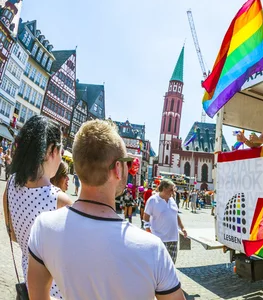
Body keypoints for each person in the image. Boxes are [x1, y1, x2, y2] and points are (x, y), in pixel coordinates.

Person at [27, 119, 184, 299]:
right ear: (117, 168)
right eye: (127, 162)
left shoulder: (44, 226)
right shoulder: (152, 249)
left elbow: (37, 296)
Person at [2, 116, 72, 299]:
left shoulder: (10, 183)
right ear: (50, 151)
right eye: (61, 150)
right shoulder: (61, 201)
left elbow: (12, 234)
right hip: (56, 293)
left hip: (29, 282)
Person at [144, 179, 187, 264]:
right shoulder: (153, 200)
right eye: (171, 189)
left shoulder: (172, 200)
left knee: (171, 264)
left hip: (173, 239)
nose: (173, 192)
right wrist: (148, 230)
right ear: (164, 188)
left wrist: (182, 228)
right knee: (160, 265)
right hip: (160, 238)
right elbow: (146, 217)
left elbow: (176, 215)